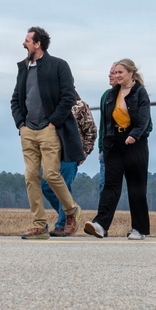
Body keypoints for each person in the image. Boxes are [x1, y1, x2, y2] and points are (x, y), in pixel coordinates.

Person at [10, 27, 84, 240]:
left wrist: (53, 123)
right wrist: (21, 125)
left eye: (27, 40)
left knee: (51, 174)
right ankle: (40, 225)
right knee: (30, 177)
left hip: (49, 130)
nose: (23, 44)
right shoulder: (23, 68)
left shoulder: (59, 65)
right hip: (28, 131)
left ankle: (71, 210)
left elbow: (68, 97)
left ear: (37, 43)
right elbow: (16, 99)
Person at [85, 60, 152, 240]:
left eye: (120, 72)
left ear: (130, 73)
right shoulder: (110, 95)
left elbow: (145, 119)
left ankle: (139, 229)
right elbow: (105, 122)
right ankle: (100, 224)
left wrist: (135, 135)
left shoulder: (140, 92)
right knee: (110, 185)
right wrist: (104, 145)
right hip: (114, 143)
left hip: (135, 143)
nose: (116, 75)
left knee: (136, 187)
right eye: (115, 73)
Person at [42, 91, 97, 236]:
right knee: (45, 186)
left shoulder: (80, 106)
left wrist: (84, 152)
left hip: (70, 153)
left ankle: (61, 225)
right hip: (51, 153)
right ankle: (71, 212)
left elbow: (91, 131)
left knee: (64, 187)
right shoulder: (48, 104)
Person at [97, 65, 118, 193]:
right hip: (107, 148)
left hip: (127, 148)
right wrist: (100, 148)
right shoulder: (106, 95)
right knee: (104, 185)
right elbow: (102, 125)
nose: (109, 75)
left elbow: (147, 125)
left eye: (114, 73)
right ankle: (103, 213)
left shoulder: (136, 94)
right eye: (110, 72)